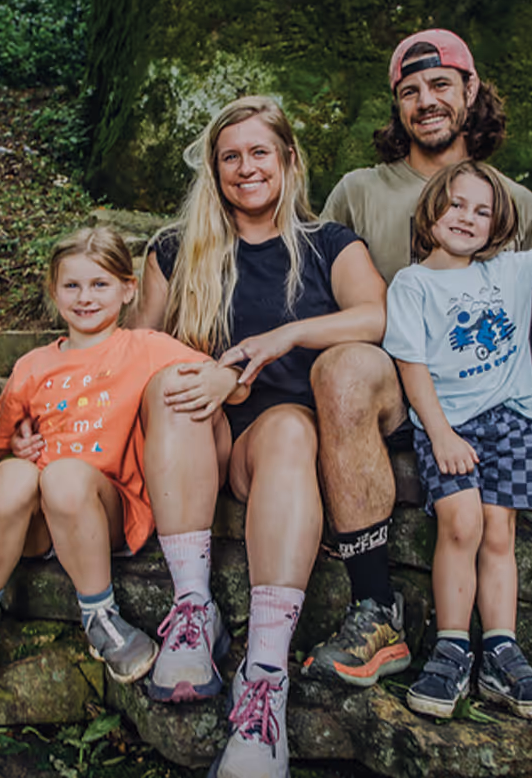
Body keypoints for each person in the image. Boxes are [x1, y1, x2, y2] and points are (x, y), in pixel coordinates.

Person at [129, 95, 390, 778]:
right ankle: (193, 610)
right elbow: (131, 352)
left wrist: (282, 338)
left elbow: (374, 316)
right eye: (230, 156)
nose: (246, 167)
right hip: (195, 438)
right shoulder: (171, 250)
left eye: (259, 152)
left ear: (289, 160)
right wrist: (214, 374)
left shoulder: (329, 243)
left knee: (285, 432)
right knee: (170, 381)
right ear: (214, 170)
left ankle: (263, 681)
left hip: (276, 445)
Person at [318, 28, 532, 560]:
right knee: (345, 366)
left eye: (441, 84)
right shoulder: (359, 191)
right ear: (398, 106)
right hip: (403, 386)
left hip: (491, 382)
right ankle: (371, 598)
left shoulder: (513, 200)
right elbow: (314, 293)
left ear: (470, 92)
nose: (426, 101)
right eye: (410, 91)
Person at [0, 226, 226, 721]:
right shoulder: (31, 366)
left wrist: (226, 374)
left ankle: (101, 616)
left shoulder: (145, 347)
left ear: (128, 289)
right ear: (53, 291)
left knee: (64, 476)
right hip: (39, 525)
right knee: (14, 476)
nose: (85, 298)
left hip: (104, 509)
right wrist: (14, 444)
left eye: (100, 285)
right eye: (72, 286)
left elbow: (215, 379)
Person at [386, 160, 532, 720]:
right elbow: (411, 366)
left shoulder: (505, 270)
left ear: (498, 225)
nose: (467, 218)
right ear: (430, 210)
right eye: (456, 204)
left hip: (511, 421)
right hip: (449, 425)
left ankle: (501, 650)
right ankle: (452, 645)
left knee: (500, 532)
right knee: (461, 524)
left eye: (482, 211)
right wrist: (440, 433)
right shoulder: (413, 284)